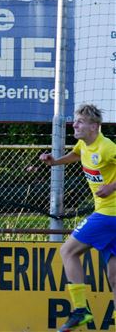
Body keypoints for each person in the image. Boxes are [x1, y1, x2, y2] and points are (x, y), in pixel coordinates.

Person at [39, 104, 116, 332]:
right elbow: (76, 154)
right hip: (110, 217)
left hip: (108, 214)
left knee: (67, 251)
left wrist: (111, 186)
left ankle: (80, 310)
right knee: (114, 278)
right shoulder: (84, 144)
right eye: (76, 121)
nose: (75, 124)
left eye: (80, 122)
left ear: (94, 126)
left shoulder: (107, 148)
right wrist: (55, 162)